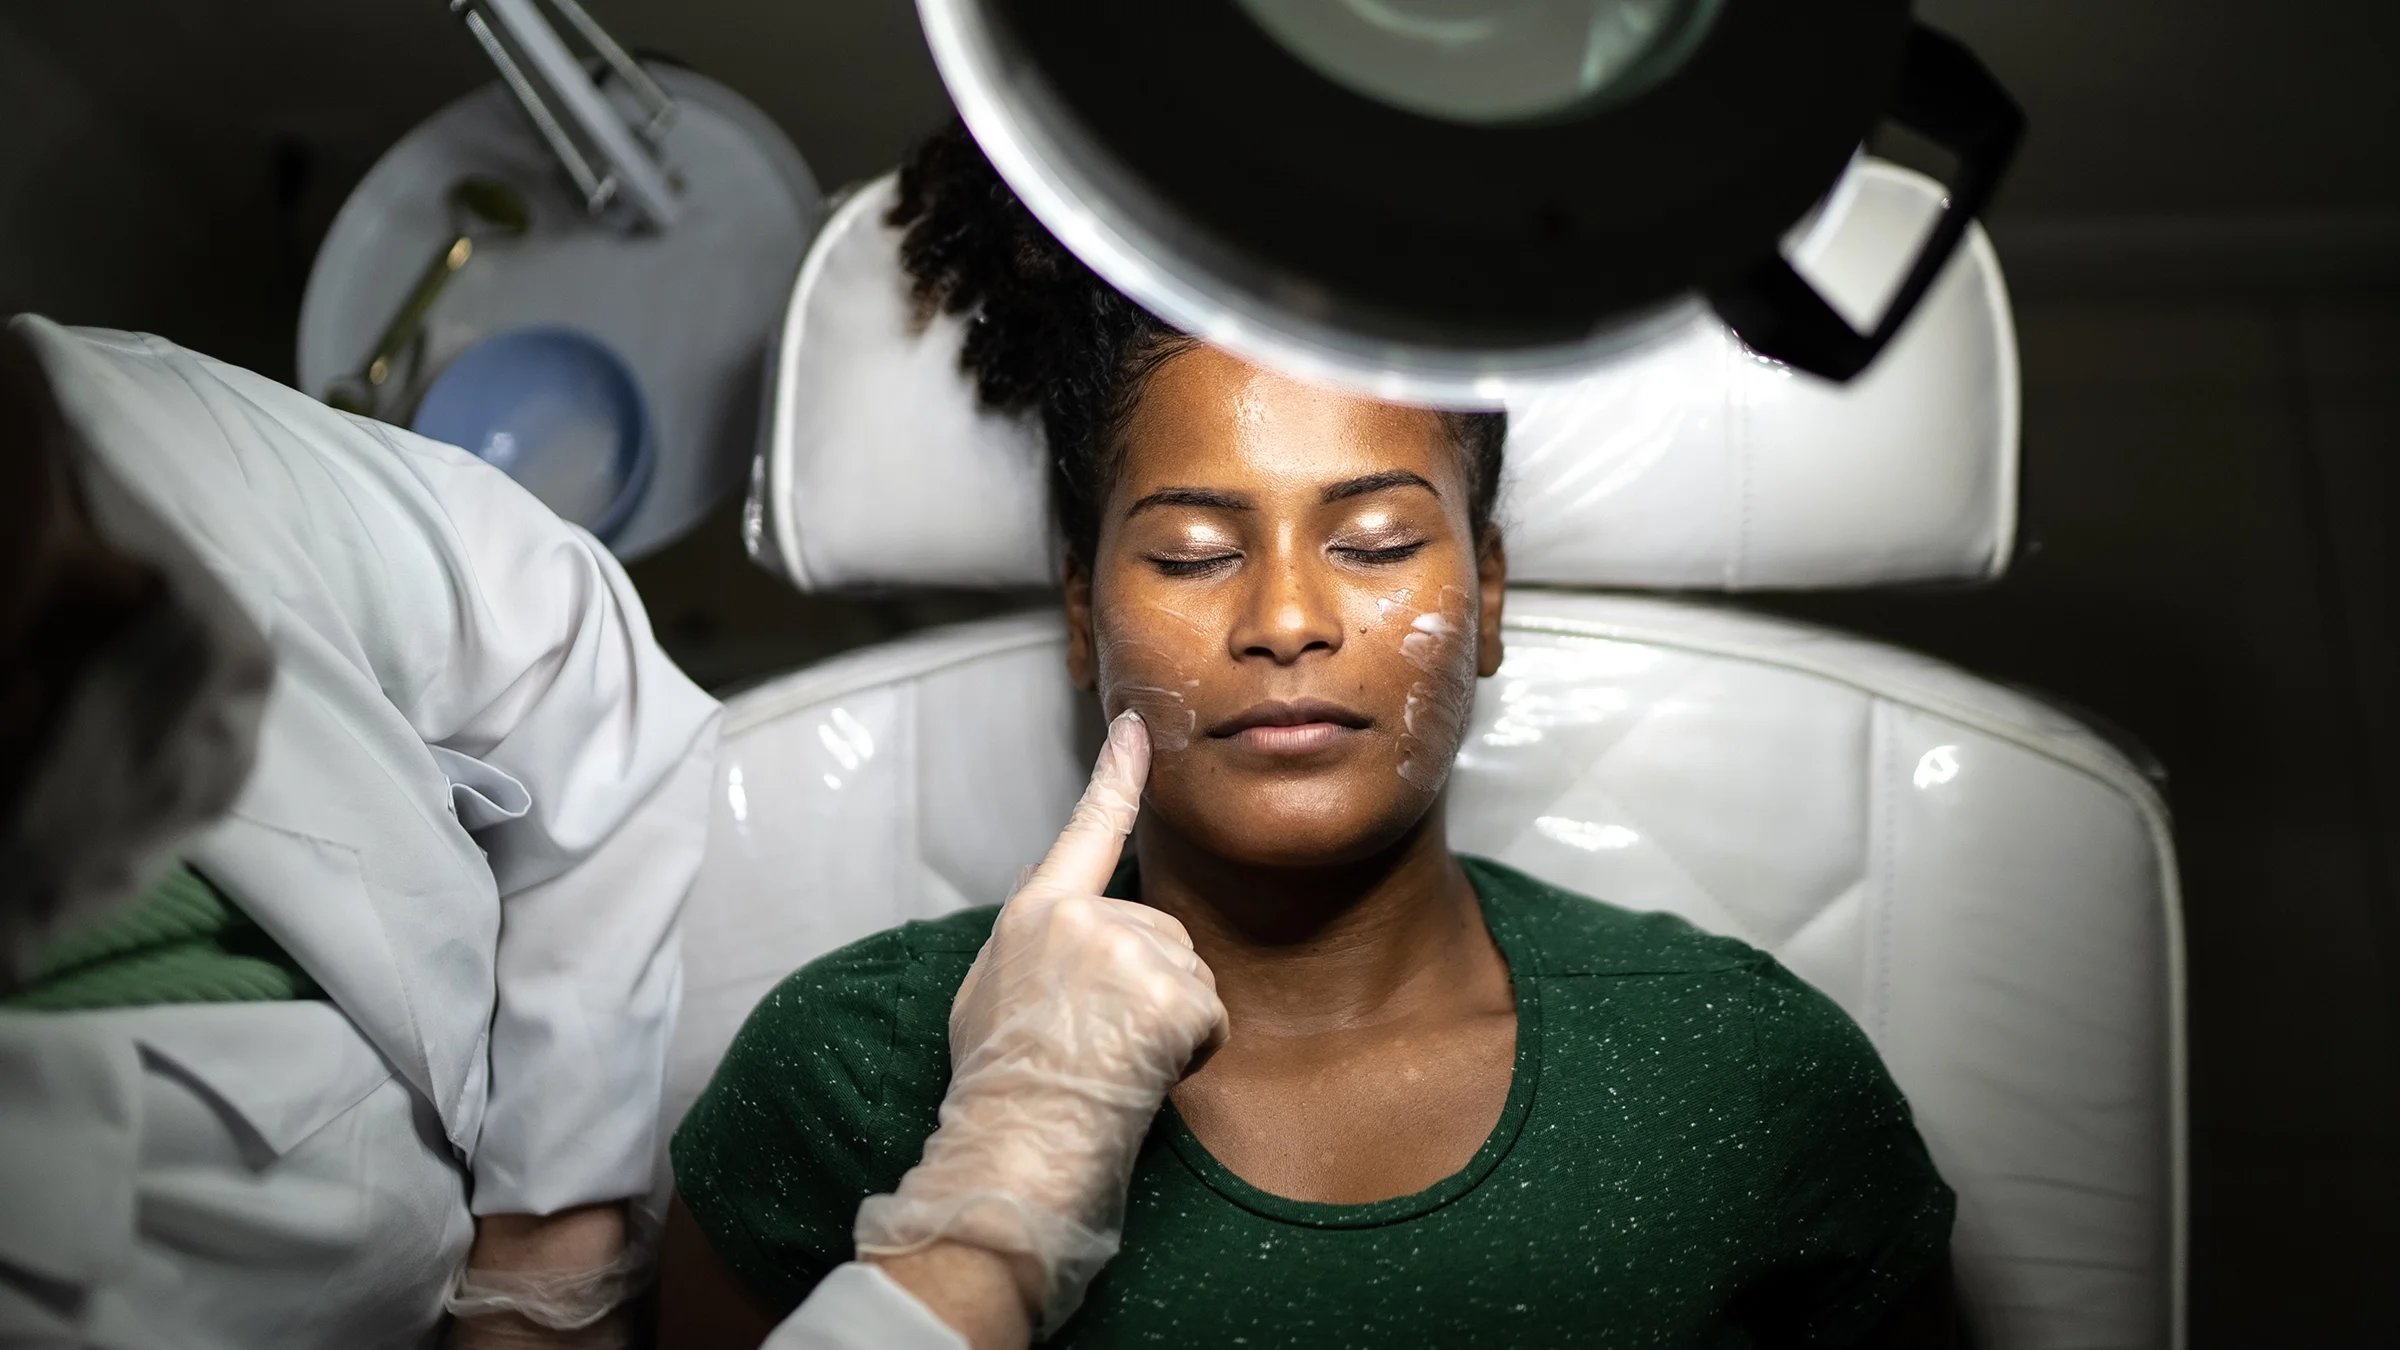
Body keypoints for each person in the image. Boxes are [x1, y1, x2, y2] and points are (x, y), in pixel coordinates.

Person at [665, 124, 1961, 1349]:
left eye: (1377, 542)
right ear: (1082, 613)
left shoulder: (1755, 1073)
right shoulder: (845, 1069)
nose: (1286, 617)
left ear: (1489, 594)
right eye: (1192, 552)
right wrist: (993, 1188)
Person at [0, 315, 719, 1349]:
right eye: (40, 662)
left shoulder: (100, 417)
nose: (234, 678)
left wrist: (551, 1236)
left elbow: (567, 651)